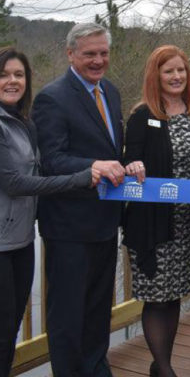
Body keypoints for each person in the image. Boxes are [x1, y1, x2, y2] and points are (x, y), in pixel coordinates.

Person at [31, 22, 142, 376]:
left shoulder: (109, 91)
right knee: (67, 313)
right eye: (89, 54)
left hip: (105, 222)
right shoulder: (52, 97)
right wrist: (95, 166)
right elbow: (51, 160)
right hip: (68, 225)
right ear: (70, 54)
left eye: (104, 53)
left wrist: (128, 164)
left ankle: (97, 368)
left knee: (97, 308)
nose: (98, 60)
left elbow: (111, 150)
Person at [0, 47, 103, 376]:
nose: (12, 80)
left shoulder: (24, 122)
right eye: (3, 74)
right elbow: (14, 182)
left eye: (18, 74)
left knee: (11, 328)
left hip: (20, 239)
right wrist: (81, 178)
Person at [122, 45, 190, 377]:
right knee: (156, 297)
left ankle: (162, 364)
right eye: (168, 71)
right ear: (155, 76)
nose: (176, 77)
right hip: (154, 225)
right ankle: (164, 369)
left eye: (181, 70)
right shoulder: (142, 115)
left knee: (174, 294)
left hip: (189, 224)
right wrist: (131, 164)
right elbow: (129, 157)